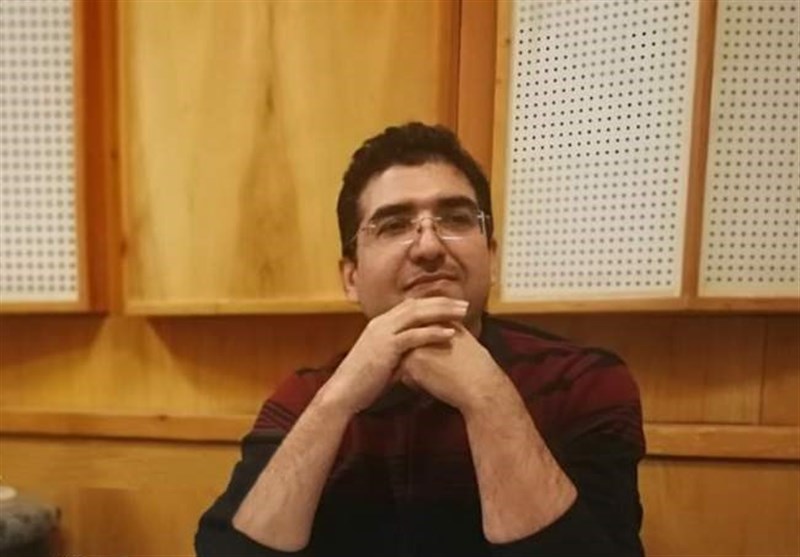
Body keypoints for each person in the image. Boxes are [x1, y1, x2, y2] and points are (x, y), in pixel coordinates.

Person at [195, 122, 645, 557]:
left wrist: (487, 397)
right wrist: (337, 402)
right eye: (393, 226)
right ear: (351, 278)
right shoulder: (305, 397)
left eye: (456, 219)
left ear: (490, 257)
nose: (429, 247)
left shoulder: (583, 383)